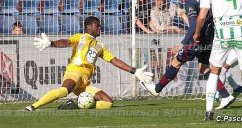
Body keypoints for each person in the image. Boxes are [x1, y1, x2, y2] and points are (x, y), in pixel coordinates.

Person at [140, 0, 235, 110]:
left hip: (195, 42)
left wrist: (182, 44)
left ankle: (157, 89)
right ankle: (225, 95)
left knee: (176, 62)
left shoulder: (190, 2)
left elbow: (193, 27)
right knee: (204, 68)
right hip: (209, 40)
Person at [25, 16, 153, 111]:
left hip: (85, 82)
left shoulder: (100, 46)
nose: (99, 28)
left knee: (108, 103)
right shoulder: (80, 37)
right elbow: (66, 42)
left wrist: (134, 71)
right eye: (97, 26)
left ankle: (74, 106)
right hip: (75, 72)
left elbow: (114, 60)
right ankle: (32, 106)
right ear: (89, 27)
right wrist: (52, 43)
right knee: (64, 91)